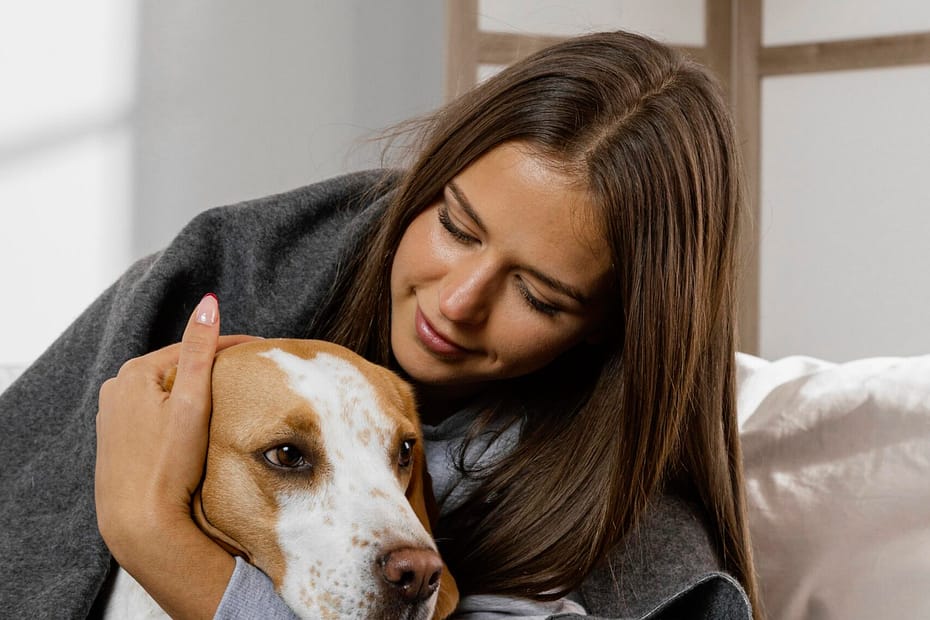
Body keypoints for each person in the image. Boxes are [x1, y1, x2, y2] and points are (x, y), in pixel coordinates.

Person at [0, 31, 761, 619]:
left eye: (538, 294)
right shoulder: (227, 275)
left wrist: (153, 537)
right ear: (426, 184)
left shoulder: (631, 532)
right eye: (458, 227)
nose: (457, 301)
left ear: (608, 327)